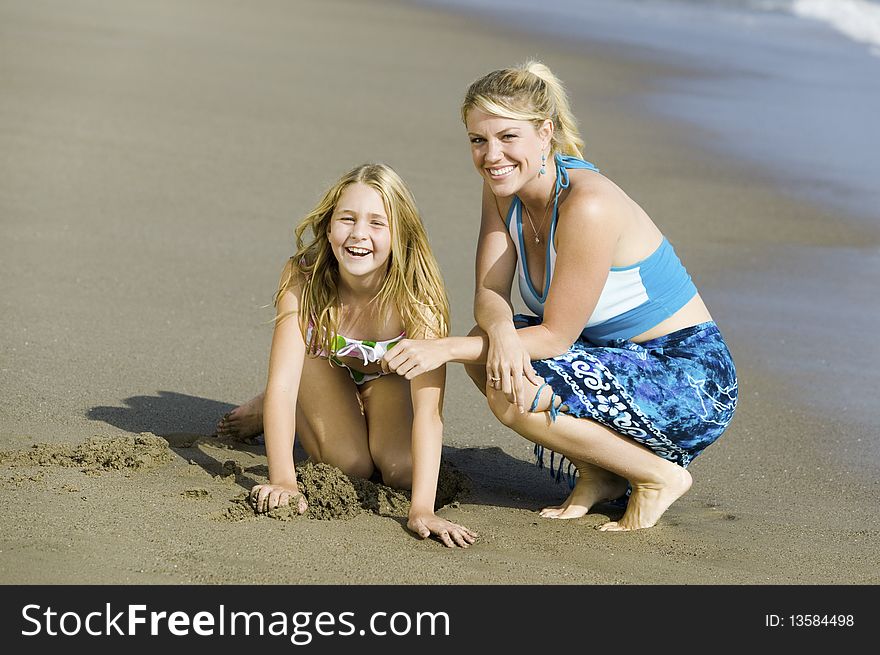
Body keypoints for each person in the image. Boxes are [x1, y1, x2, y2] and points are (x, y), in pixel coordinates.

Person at [381, 62, 737, 531]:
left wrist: (442, 349)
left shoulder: (588, 204)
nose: (491, 155)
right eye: (478, 140)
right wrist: (502, 331)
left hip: (685, 378)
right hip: (611, 358)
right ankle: (602, 471)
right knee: (486, 355)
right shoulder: (502, 190)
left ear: (545, 133)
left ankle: (657, 477)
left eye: (508, 137)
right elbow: (489, 292)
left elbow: (553, 339)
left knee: (512, 390)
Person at [218, 163, 477, 548]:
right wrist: (283, 479)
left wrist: (422, 508)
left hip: (385, 379)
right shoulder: (303, 275)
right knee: (350, 465)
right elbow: (284, 385)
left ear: (400, 235)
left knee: (401, 470)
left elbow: (429, 412)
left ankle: (355, 405)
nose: (359, 235)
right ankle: (278, 409)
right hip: (319, 367)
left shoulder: (418, 297)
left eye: (377, 223)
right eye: (347, 219)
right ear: (328, 225)